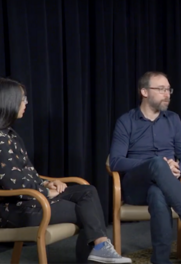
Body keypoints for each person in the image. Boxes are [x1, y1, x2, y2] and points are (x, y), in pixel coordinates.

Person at [0, 78, 132, 264]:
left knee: (87, 192)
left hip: (31, 199)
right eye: (23, 99)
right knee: (86, 211)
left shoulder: (11, 135)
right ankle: (98, 250)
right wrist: (46, 192)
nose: (26, 103)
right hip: (14, 210)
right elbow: (11, 183)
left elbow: (27, 172)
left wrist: (46, 183)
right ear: (8, 101)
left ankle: (100, 248)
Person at [109, 71, 181, 264]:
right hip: (136, 186)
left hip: (163, 184)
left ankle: (160, 260)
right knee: (156, 163)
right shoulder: (126, 121)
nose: (167, 94)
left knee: (157, 193)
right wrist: (156, 164)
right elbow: (116, 161)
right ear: (144, 92)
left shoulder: (173, 119)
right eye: (161, 89)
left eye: (168, 89)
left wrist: (179, 168)